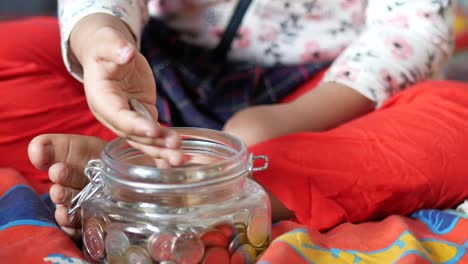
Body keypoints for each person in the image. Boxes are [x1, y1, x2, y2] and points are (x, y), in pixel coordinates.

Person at [2, 0, 468, 238]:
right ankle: (146, 156)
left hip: (326, 91)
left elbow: (413, 26)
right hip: (147, 66)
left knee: (454, 118)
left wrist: (294, 117)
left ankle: (210, 187)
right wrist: (100, 40)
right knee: (13, 50)